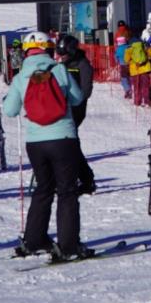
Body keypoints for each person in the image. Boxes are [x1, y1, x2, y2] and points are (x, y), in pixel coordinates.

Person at [4, 31, 90, 260]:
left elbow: (10, 110)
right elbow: (78, 98)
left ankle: (34, 240)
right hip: (63, 138)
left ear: (26, 51)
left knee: (43, 188)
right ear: (48, 48)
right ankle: (69, 246)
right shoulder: (59, 70)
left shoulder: (21, 76)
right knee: (67, 191)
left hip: (35, 142)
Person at [57, 34, 96, 195]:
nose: (62, 57)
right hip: (61, 108)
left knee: (69, 144)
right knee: (68, 144)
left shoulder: (82, 64)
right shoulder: (62, 64)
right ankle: (83, 178)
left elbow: (86, 90)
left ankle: (85, 179)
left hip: (76, 109)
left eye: (64, 53)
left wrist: (74, 100)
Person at [125, 38, 151, 106]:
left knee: (137, 87)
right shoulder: (144, 46)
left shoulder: (129, 49)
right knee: (146, 86)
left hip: (135, 70)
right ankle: (147, 101)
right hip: (145, 69)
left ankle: (137, 102)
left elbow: (126, 60)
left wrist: (132, 62)